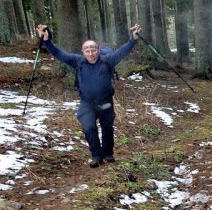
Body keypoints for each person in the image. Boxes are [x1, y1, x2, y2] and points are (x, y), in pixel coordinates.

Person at [35, 23, 142, 168]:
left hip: (105, 102)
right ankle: (96, 155)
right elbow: (59, 54)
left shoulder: (108, 60)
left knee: (107, 127)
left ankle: (108, 153)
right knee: (89, 127)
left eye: (93, 49)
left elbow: (122, 51)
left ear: (98, 50)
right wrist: (46, 40)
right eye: (87, 50)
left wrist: (133, 39)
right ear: (83, 51)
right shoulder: (77, 61)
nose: (90, 53)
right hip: (87, 103)